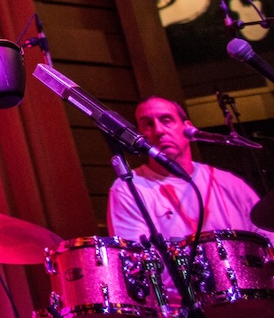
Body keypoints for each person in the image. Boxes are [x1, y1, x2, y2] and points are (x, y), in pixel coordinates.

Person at [107, 96, 271, 244]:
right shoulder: (128, 189)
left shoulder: (230, 183)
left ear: (187, 128)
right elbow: (136, 257)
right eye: (148, 124)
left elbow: (268, 239)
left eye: (167, 120)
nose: (159, 130)